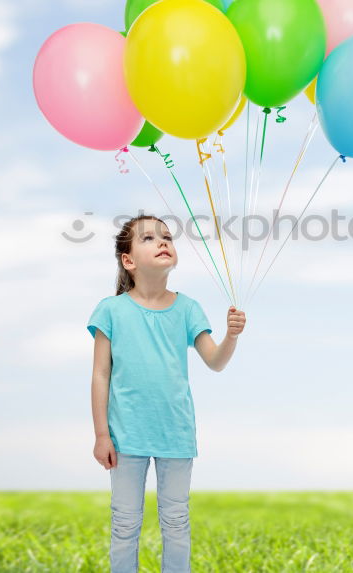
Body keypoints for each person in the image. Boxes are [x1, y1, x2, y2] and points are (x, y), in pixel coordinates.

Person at [88, 213, 246, 572]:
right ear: (128, 261)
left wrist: (231, 336)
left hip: (174, 432)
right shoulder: (111, 310)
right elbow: (100, 375)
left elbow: (215, 361)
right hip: (125, 436)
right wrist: (101, 435)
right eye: (148, 239)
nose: (162, 242)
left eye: (166, 236)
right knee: (125, 523)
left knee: (176, 522)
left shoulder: (188, 308)